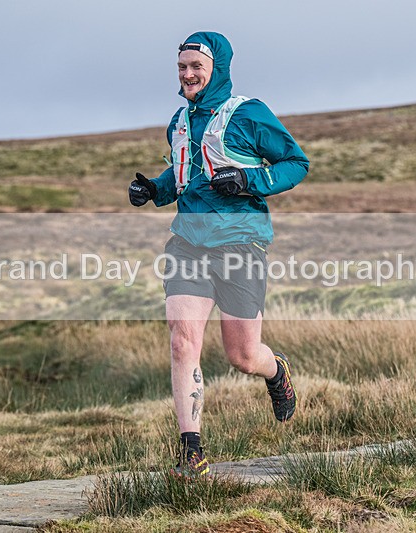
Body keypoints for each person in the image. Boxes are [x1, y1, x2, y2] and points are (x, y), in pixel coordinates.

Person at [128, 31, 309, 477]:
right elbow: (186, 171)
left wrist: (250, 182)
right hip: (188, 242)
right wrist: (155, 188)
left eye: (196, 68)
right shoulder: (178, 121)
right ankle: (192, 452)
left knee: (242, 356)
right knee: (182, 340)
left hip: (240, 243)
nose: (187, 75)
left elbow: (295, 163)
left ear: (216, 70)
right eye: (182, 68)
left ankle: (275, 371)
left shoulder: (248, 114)